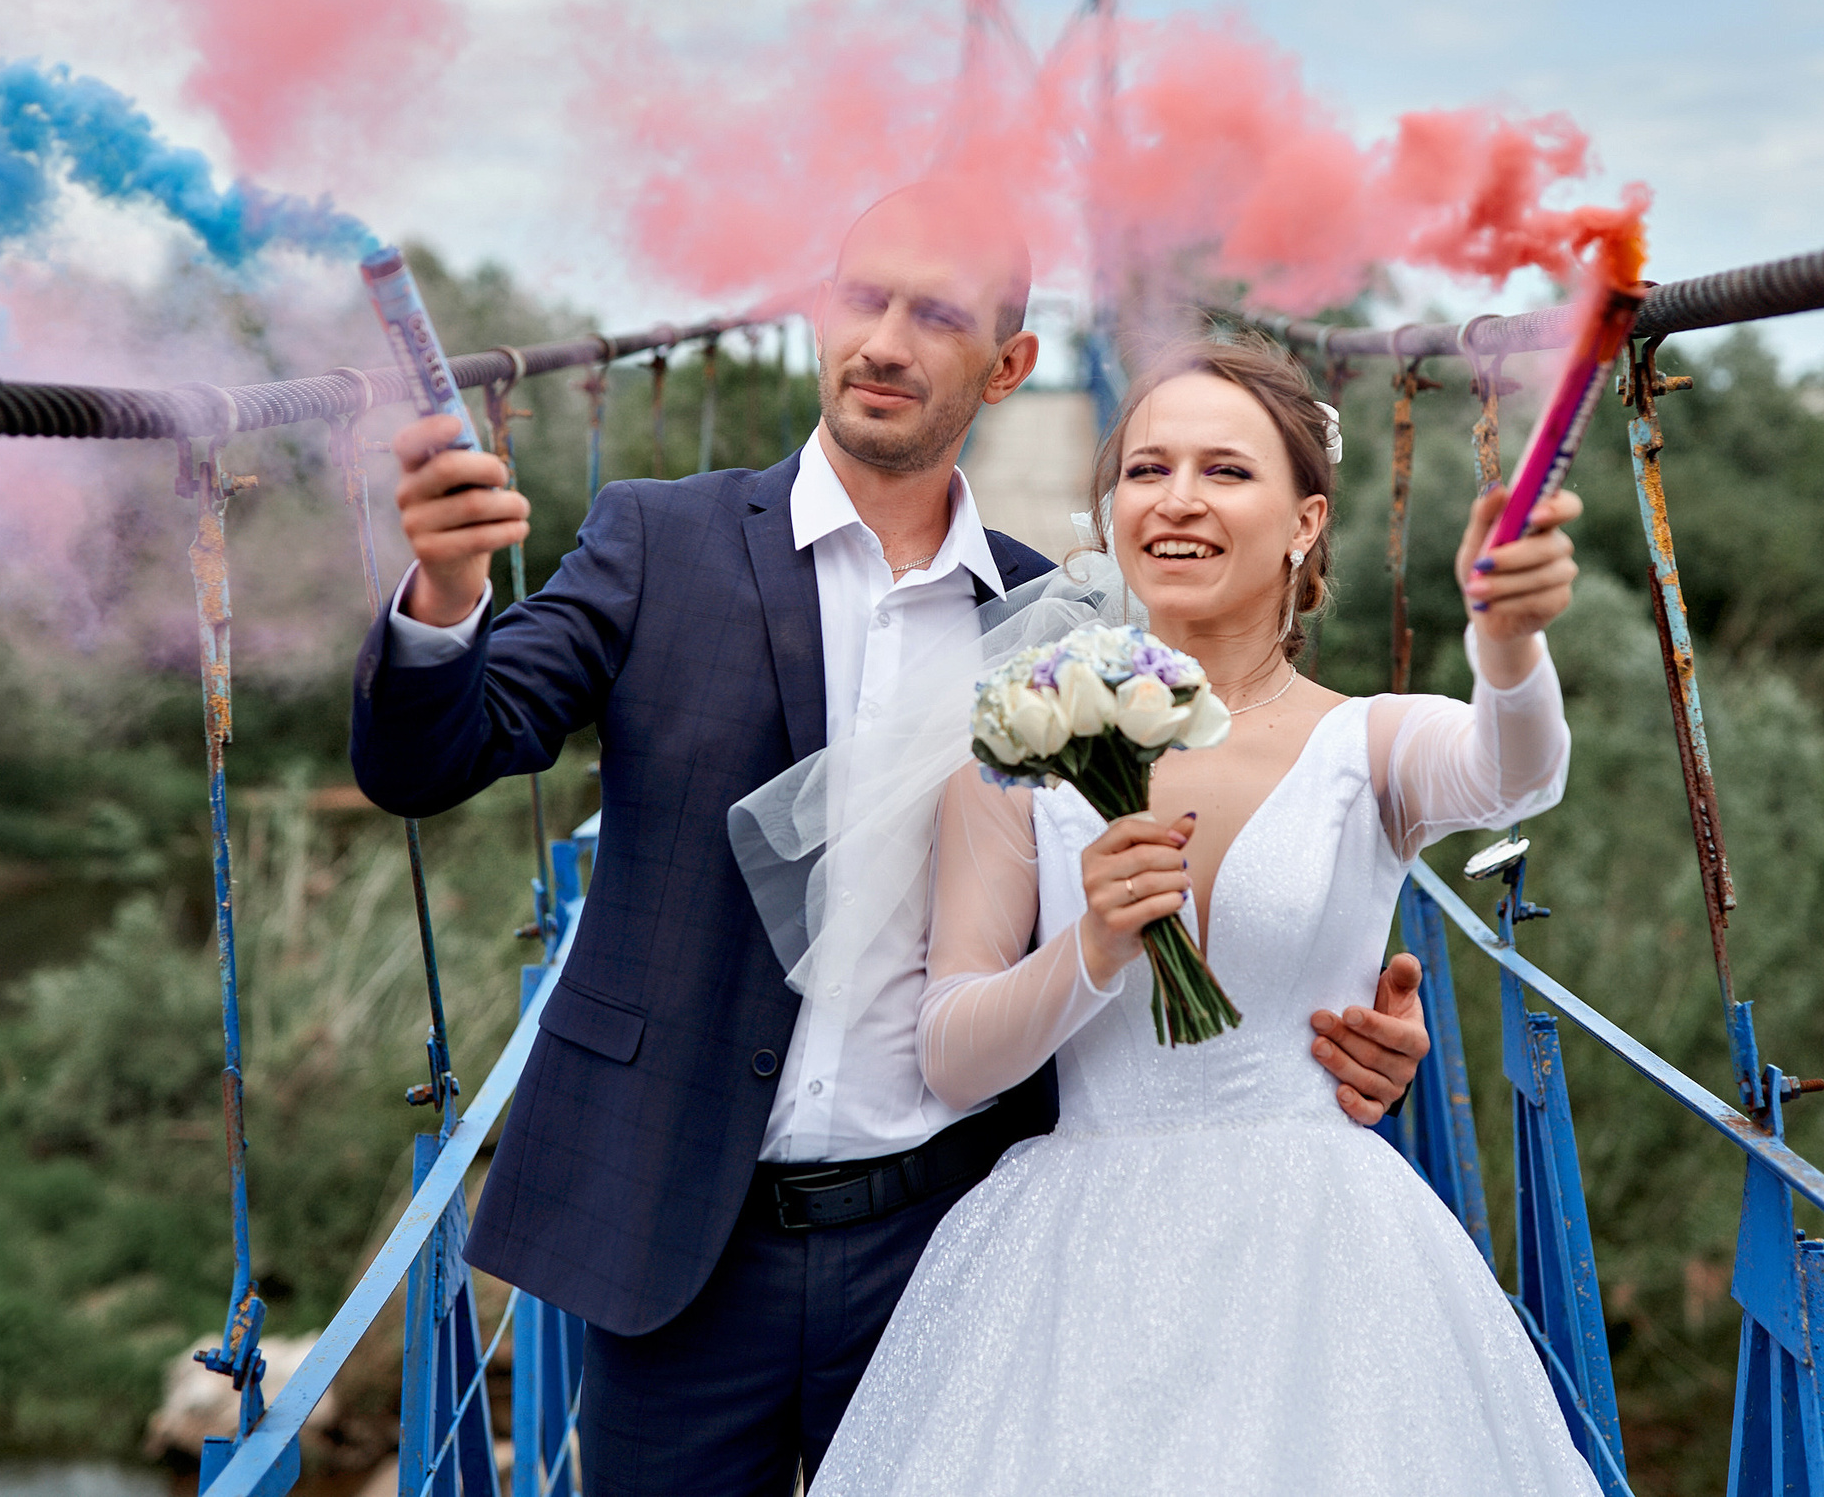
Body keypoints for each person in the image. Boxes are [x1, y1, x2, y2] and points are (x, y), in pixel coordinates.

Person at [346, 184, 1434, 1497]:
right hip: (680, 1232)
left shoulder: (1062, 619)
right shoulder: (657, 537)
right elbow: (427, 760)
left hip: (954, 1232)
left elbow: (1165, 889)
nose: (883, 340)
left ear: (1011, 363)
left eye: (936, 314)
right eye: (862, 297)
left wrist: (1332, 1034)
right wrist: (446, 598)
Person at [810, 335, 1607, 1496]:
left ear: (1305, 522)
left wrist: (1506, 638)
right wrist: (1085, 950)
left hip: (1322, 1271)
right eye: (1146, 470)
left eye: (1227, 472)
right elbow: (951, 1053)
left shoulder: (1369, 742)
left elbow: (1514, 772)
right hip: (1073, 1270)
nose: (1177, 500)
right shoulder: (1014, 750)